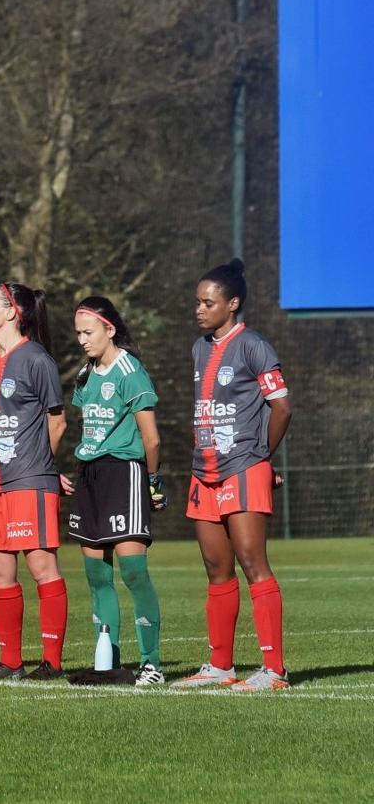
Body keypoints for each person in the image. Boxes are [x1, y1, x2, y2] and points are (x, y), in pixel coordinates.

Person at [173, 259, 292, 692]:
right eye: (197, 302)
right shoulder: (199, 348)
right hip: (204, 472)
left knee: (251, 561)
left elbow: (282, 407)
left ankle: (274, 671)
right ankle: (220, 666)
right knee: (215, 567)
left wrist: (261, 456)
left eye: (209, 302)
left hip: (244, 466)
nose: (200, 309)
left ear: (233, 303)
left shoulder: (254, 345)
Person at [0, 282, 70, 681]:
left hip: (27, 481)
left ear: (12, 312)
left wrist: (42, 465)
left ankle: (52, 662)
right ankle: (10, 661)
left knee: (42, 567)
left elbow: (56, 420)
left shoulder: (37, 359)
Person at [66, 297, 166, 686]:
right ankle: (109, 665)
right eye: (77, 333)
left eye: (88, 331)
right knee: (96, 575)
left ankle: (151, 665)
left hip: (123, 473)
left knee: (133, 571)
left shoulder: (130, 371)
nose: (82, 340)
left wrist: (153, 482)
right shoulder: (85, 372)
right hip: (89, 475)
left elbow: (152, 439)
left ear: (110, 329)